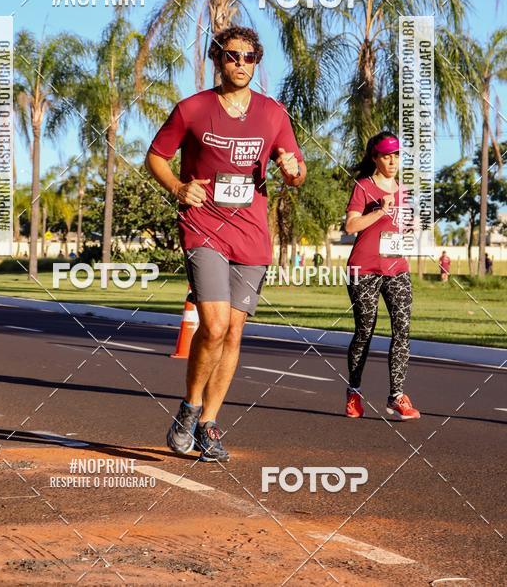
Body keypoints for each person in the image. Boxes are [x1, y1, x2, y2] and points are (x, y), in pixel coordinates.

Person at [146, 26, 306, 461]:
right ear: (218, 59)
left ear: (257, 61)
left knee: (234, 332)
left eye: (249, 57)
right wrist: (179, 188)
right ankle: (190, 405)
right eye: (232, 56)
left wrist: (292, 169)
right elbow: (155, 156)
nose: (241, 63)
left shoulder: (273, 114)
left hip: (251, 234)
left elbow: (295, 170)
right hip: (204, 227)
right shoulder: (193, 109)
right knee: (213, 327)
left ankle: (207, 422)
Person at [343, 131, 420, 421]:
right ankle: (354, 391)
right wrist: (379, 210)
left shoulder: (406, 191)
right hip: (363, 268)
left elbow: (405, 230)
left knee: (402, 328)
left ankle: (396, 396)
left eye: (397, 156)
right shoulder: (364, 187)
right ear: (375, 158)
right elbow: (351, 226)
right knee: (365, 330)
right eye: (387, 156)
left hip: (396, 268)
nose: (393, 161)